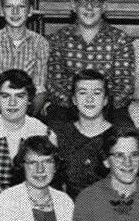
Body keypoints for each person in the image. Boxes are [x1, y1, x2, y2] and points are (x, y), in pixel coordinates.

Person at [46, 0, 134, 126]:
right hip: (69, 107)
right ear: (73, 6)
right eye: (83, 2)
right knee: (53, 129)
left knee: (125, 132)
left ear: (104, 6)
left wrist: (100, 106)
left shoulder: (119, 39)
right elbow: (54, 83)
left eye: (96, 2)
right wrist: (78, 105)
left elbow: (125, 86)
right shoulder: (59, 38)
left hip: (109, 108)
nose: (89, 7)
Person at [0, 69, 56, 196]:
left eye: (19, 96)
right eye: (5, 96)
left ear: (29, 99)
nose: (12, 103)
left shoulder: (44, 133)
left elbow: (49, 184)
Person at [52, 69, 126, 199]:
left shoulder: (120, 137)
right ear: (74, 99)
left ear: (105, 100)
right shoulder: (59, 135)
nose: (89, 99)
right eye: (82, 93)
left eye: (97, 93)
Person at [0, 0, 49, 114]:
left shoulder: (40, 43)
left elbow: (39, 89)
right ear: (1, 11)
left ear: (30, 11)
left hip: (27, 110)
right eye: (9, 7)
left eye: (21, 7)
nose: (15, 12)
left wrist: (28, 118)